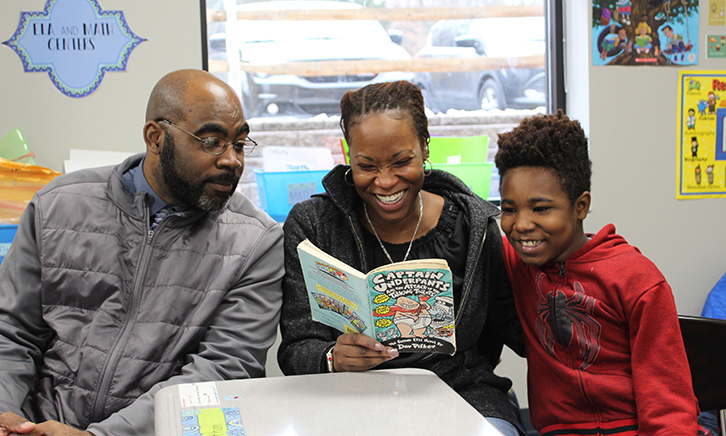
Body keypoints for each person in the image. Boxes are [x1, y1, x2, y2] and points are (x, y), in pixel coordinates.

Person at [0, 69, 284, 436]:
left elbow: (224, 370)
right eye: (212, 141)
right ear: (156, 137)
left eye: (240, 144)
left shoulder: (256, 242)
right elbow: (12, 330)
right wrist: (7, 414)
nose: (232, 159)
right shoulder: (59, 205)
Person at [277, 81, 525, 436]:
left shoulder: (473, 225)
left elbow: (510, 328)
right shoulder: (315, 225)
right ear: (348, 157)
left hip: (462, 393)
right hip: (350, 402)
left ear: (425, 148)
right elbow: (296, 349)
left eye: (401, 161)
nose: (386, 181)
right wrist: (332, 358)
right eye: (367, 165)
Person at [495, 110, 705, 436]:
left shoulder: (637, 281)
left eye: (541, 209)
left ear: (581, 206)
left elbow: (668, 401)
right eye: (509, 209)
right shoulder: (517, 261)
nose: (521, 224)